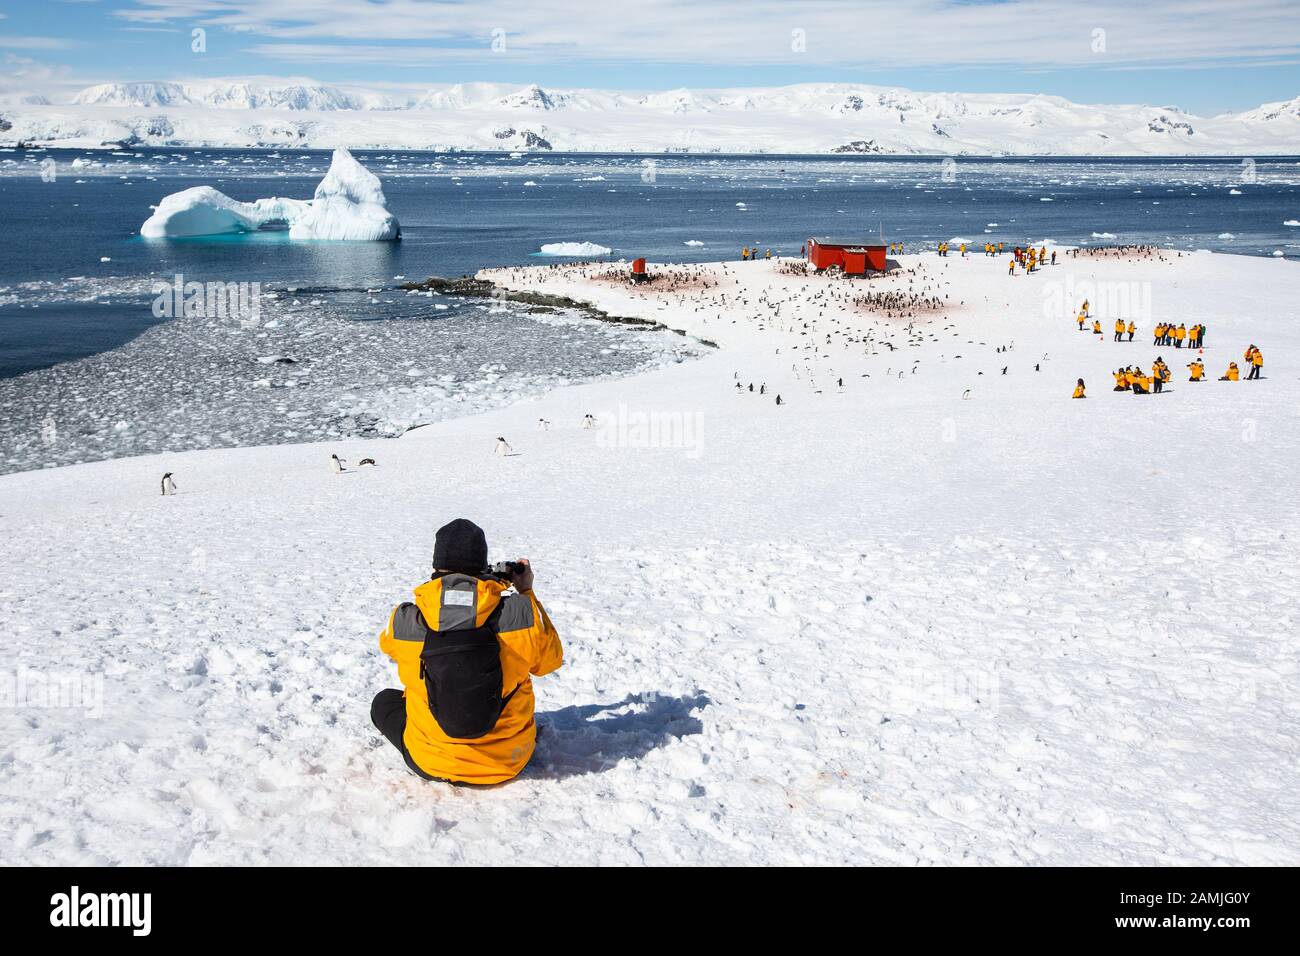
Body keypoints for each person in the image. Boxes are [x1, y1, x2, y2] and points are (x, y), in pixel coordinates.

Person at [371, 518, 563, 786]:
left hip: (429, 761)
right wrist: (525, 592)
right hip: (509, 760)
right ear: (482, 565)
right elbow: (550, 661)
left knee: (385, 701)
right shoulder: (521, 614)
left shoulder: (404, 621)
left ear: (437, 565)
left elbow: (388, 647)